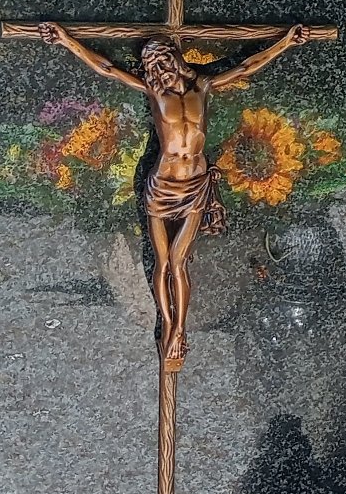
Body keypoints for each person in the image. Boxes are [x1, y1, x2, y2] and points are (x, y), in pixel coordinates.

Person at [24, 24, 313, 368]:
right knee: (163, 263)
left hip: (196, 184)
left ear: (175, 59)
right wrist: (66, 40)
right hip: (162, 185)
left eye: (162, 61)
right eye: (152, 66)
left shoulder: (202, 86)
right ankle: (169, 326)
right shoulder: (153, 91)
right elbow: (106, 68)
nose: (159, 70)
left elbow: (245, 67)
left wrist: (285, 42)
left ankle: (179, 330)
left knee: (179, 262)